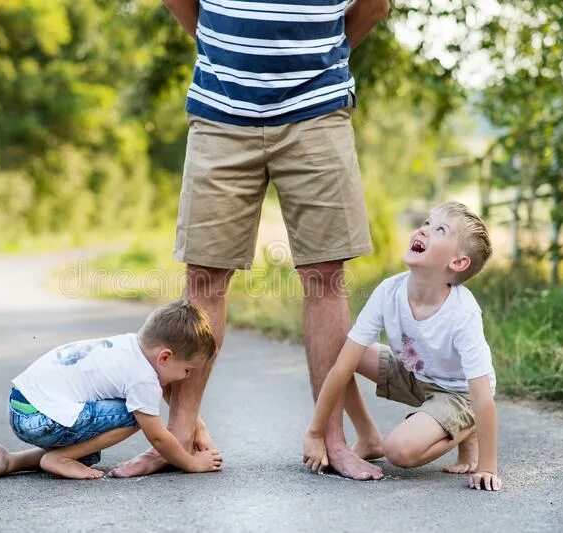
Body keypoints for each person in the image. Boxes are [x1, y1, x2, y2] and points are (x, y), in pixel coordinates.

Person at [111, 0, 391, 481]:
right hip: (220, 111)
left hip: (317, 112)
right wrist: (225, 54)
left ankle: (332, 437)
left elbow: (375, 5)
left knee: (325, 276)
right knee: (204, 276)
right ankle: (178, 436)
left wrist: (326, 56)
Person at [303, 201, 503, 491]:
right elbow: (341, 367)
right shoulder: (389, 291)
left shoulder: (463, 313)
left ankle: (467, 428)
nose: (424, 230)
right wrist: (315, 431)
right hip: (415, 374)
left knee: (398, 451)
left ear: (458, 263)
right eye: (426, 223)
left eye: (440, 230)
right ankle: (368, 436)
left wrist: (487, 466)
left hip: (459, 394)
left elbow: (483, 399)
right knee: (340, 350)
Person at [0, 300, 222, 481]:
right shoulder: (143, 377)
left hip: (21, 406)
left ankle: (10, 460)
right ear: (165, 357)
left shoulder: (130, 346)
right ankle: (60, 458)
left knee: (88, 453)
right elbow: (157, 436)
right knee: (133, 415)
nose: (186, 378)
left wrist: (197, 425)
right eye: (188, 370)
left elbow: (162, 389)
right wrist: (191, 464)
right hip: (40, 419)